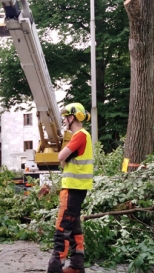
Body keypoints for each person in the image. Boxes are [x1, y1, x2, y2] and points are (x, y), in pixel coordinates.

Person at [47, 103, 93, 273]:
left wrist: (63, 157)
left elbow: (61, 156)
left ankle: (55, 268)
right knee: (74, 227)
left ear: (72, 117)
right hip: (78, 188)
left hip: (72, 188)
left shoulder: (79, 135)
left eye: (66, 117)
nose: (64, 121)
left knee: (63, 228)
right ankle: (76, 266)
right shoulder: (85, 136)